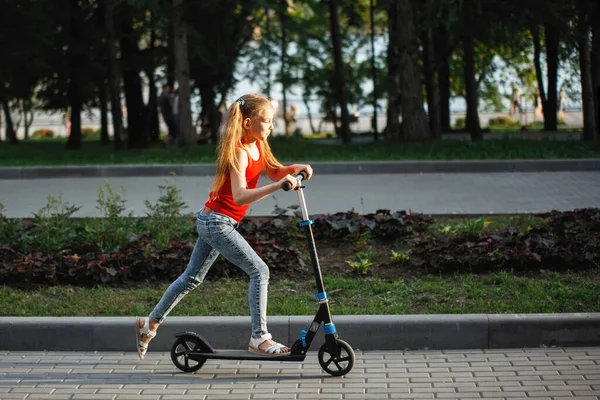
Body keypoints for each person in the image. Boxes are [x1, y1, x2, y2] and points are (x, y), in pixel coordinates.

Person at [135, 93, 313, 360]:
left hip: (217, 221)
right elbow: (240, 195)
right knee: (259, 271)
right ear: (248, 122)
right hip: (216, 223)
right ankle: (259, 337)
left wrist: (294, 168)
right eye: (266, 121)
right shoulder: (238, 152)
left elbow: (273, 170)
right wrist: (278, 186)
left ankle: (149, 324)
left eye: (272, 121)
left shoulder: (258, 144)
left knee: (191, 279)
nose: (271, 126)